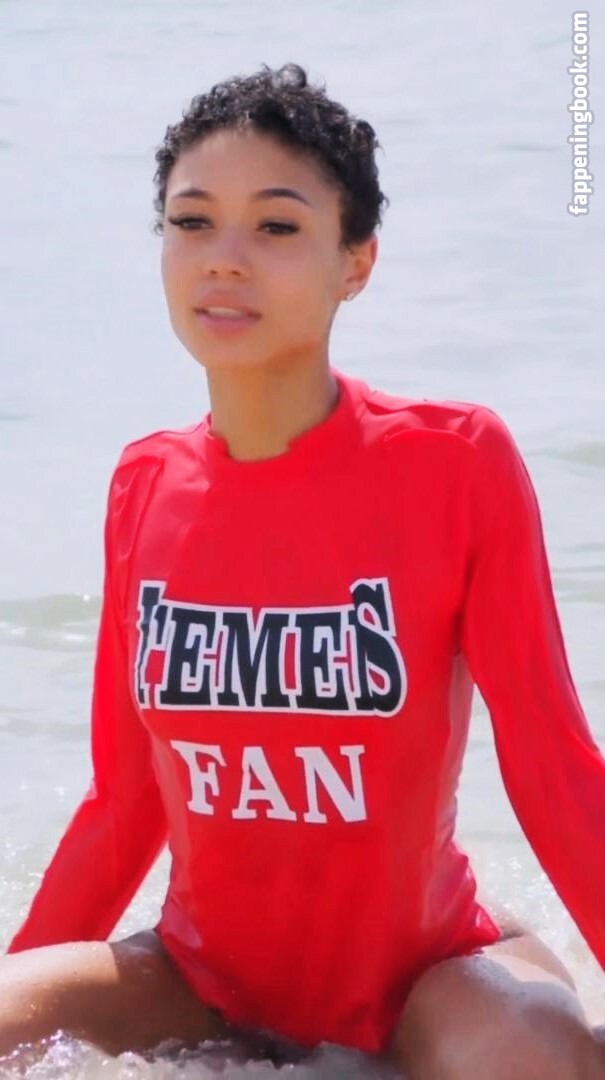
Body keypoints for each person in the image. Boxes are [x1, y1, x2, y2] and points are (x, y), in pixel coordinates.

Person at [1, 61, 604, 1079]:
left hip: (423, 978)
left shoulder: (453, 463)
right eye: (192, 222)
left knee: (533, 1059)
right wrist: (30, 993)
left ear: (354, 262)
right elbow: (123, 805)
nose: (224, 260)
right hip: (204, 977)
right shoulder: (146, 483)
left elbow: (551, 768)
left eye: (275, 227)